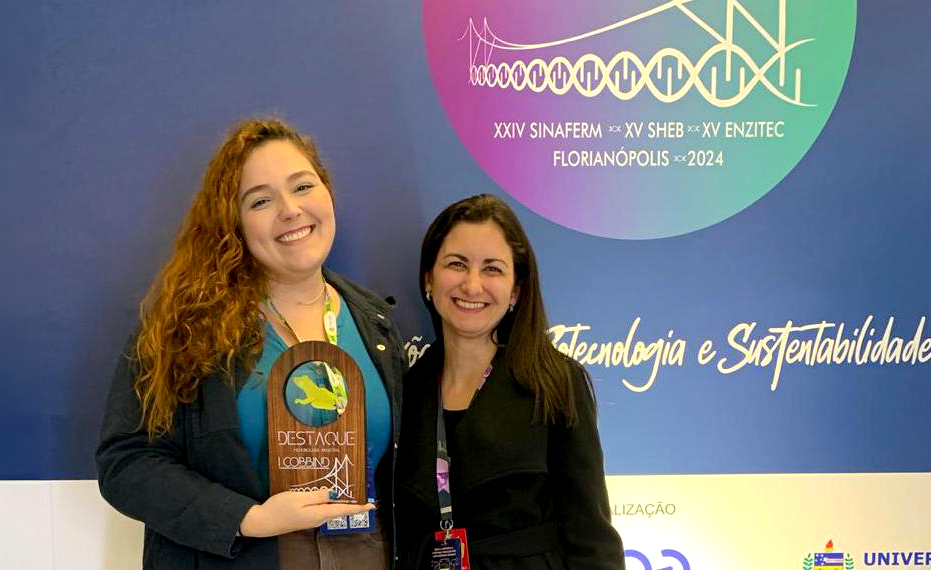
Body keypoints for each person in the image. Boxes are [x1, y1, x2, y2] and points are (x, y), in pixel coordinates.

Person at [96, 118, 406, 569]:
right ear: (234, 223)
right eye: (261, 200)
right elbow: (126, 462)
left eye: (303, 187)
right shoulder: (184, 327)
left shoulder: (375, 323)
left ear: (327, 192)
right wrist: (247, 519)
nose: (291, 210)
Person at [395, 194, 625, 569]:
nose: (472, 286)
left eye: (492, 269)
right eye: (456, 264)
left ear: (516, 291)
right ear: (428, 279)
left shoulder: (555, 383)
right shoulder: (404, 391)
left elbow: (592, 537)